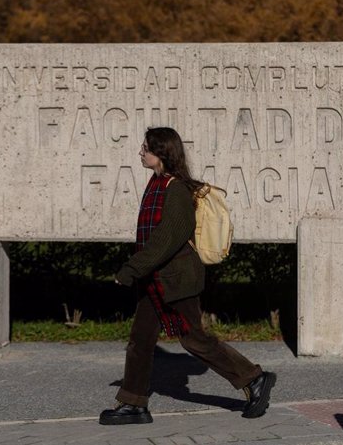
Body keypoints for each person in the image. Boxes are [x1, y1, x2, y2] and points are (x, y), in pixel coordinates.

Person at [99, 127, 276, 426]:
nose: (141, 152)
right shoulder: (156, 184)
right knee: (141, 340)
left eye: (146, 148)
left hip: (176, 279)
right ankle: (133, 404)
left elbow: (168, 238)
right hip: (155, 280)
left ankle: (253, 378)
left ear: (162, 154)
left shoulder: (176, 189)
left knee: (194, 340)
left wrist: (131, 269)